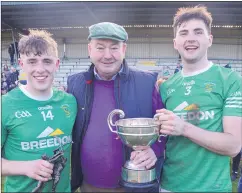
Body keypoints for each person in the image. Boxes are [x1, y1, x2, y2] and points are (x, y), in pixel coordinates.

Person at [67, 22, 166, 192]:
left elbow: (165, 124)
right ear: (90, 49)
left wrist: (154, 150)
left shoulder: (147, 82)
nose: (107, 55)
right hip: (89, 185)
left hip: (135, 185)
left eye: (114, 48)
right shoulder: (75, 83)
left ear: (124, 49)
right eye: (100, 48)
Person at [155, 5, 242, 192]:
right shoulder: (166, 86)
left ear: (209, 39)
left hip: (213, 188)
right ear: (175, 42)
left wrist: (184, 127)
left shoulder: (230, 80)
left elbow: (234, 146)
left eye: (198, 32)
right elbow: (159, 138)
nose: (190, 39)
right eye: (184, 33)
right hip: (169, 186)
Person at [1, 30, 77, 192]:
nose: (40, 69)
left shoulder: (70, 102)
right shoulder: (5, 105)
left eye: (47, 61)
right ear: (22, 64)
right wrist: (25, 167)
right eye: (33, 61)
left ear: (56, 64)